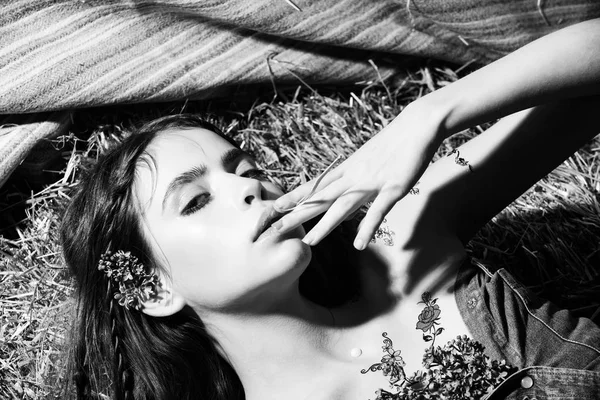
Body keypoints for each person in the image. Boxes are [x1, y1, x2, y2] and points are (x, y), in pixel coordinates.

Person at [61, 19, 600, 400]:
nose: (249, 190)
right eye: (196, 201)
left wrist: (429, 115)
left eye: (245, 169)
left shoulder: (400, 242)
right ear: (152, 289)